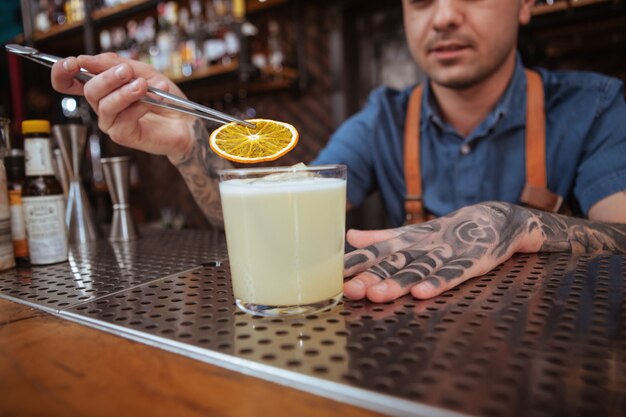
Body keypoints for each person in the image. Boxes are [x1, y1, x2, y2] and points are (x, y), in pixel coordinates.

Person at [50, 0, 626, 304]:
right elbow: (280, 213)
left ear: (526, 3)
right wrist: (187, 145)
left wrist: (514, 220)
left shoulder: (595, 108)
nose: (444, 14)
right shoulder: (383, 117)